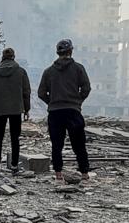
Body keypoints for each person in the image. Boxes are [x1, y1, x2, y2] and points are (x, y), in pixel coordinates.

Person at [37, 39, 91, 184]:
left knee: (57, 144)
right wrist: (77, 101)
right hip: (73, 112)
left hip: (55, 113)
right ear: (71, 51)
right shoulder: (79, 68)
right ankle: (85, 174)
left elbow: (41, 93)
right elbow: (86, 88)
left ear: (57, 52)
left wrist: (52, 102)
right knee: (79, 144)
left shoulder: (48, 71)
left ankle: (59, 174)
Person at [0, 47, 31, 174]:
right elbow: (26, 92)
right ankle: (15, 166)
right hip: (16, 109)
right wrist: (26, 109)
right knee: (15, 137)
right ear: (13, 57)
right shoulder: (21, 72)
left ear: (2, 57)